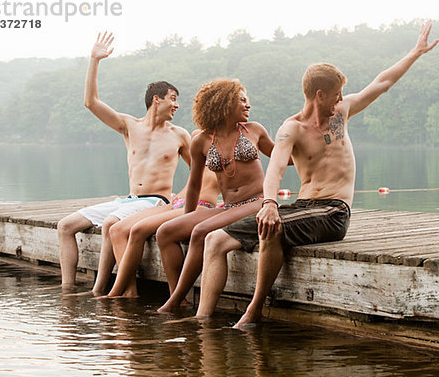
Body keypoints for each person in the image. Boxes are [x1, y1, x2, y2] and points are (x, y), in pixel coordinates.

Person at [192, 21, 439, 326]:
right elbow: (276, 169)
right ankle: (201, 320)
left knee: (273, 228)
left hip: (334, 211)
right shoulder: (291, 129)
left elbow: (382, 83)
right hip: (303, 207)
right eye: (336, 94)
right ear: (319, 94)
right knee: (215, 240)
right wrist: (269, 204)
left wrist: (415, 52)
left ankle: (253, 311)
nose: (341, 99)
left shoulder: (342, 113)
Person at [57, 32, 191, 292]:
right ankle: (67, 290)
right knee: (65, 226)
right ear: (157, 99)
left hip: (155, 202)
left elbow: (200, 171)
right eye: (173, 99)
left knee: (112, 222)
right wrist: (94, 60)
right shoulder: (130, 126)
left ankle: (103, 290)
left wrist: (181, 199)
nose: (177, 105)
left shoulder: (179, 135)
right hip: (129, 200)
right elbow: (91, 102)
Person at [151, 78, 282, 312]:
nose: (247, 105)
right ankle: (179, 298)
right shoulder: (201, 140)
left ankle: (171, 304)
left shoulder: (254, 130)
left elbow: (284, 159)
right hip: (228, 206)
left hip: (257, 202)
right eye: (241, 100)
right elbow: (193, 185)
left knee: (201, 231)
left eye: (247, 100)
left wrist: (310, 151)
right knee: (166, 232)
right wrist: (186, 218)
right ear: (224, 103)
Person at [100, 130, 220, 299]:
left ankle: (114, 292)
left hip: (202, 205)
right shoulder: (197, 136)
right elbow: (194, 174)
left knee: (138, 230)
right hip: (178, 200)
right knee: (117, 230)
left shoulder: (234, 141)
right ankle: (129, 291)